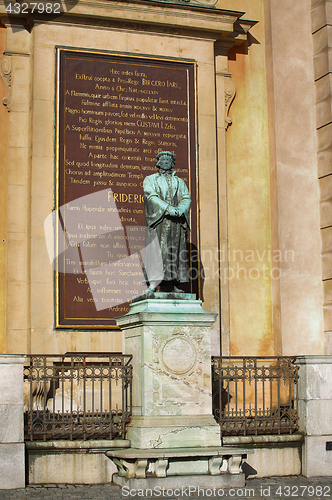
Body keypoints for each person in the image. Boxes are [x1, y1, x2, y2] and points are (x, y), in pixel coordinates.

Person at [142, 151, 191, 292]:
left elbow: (186, 197)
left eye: (169, 159)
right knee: (158, 250)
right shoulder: (150, 179)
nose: (166, 161)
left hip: (176, 221)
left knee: (174, 251)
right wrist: (168, 208)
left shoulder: (179, 182)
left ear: (172, 163)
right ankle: (153, 283)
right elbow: (151, 196)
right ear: (158, 162)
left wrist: (181, 209)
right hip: (159, 220)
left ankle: (173, 283)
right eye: (163, 159)